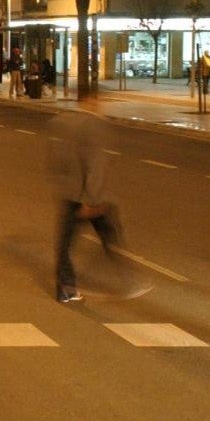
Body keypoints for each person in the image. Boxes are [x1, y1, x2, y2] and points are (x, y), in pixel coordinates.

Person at [47, 93, 136, 303]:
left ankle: (66, 289)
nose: (100, 106)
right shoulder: (93, 126)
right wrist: (93, 200)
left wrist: (61, 186)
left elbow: (55, 160)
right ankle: (129, 280)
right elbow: (95, 166)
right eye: (98, 101)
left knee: (65, 245)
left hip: (68, 194)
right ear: (90, 101)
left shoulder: (62, 122)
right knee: (111, 239)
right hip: (89, 197)